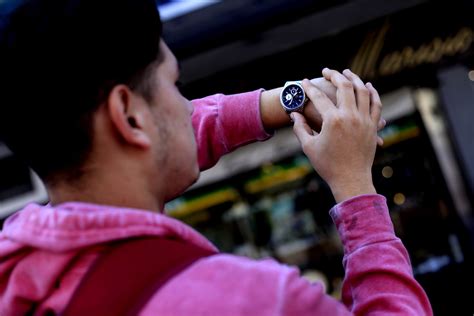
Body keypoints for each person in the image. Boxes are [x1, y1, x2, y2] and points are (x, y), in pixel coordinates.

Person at [0, 0, 432, 315]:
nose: (189, 107)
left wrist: (287, 100)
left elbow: (164, 139)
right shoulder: (252, 300)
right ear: (129, 116)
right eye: (174, 85)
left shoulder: (18, 265)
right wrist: (356, 187)